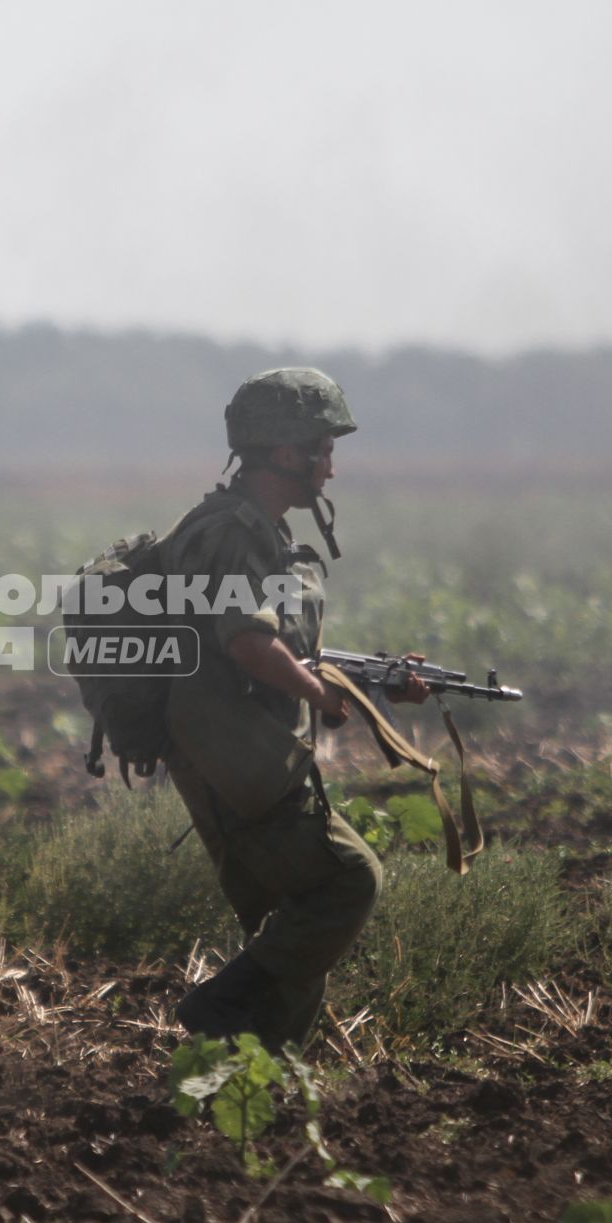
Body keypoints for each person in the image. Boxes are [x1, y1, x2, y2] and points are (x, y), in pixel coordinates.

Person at [158, 367, 427, 1052]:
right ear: (284, 453)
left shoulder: (256, 532)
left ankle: (255, 1077)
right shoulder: (234, 533)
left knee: (296, 924)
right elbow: (249, 642)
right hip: (237, 760)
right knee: (346, 881)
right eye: (323, 450)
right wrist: (322, 694)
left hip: (244, 756)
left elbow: (279, 644)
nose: (331, 469)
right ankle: (219, 1013)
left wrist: (372, 679)